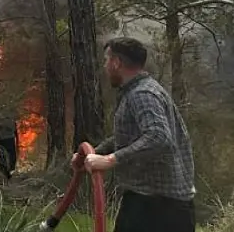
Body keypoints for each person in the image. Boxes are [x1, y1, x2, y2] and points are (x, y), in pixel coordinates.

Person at [75, 37, 196, 232]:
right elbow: (130, 138)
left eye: (107, 60)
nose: (105, 66)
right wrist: (91, 155)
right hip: (147, 202)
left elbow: (158, 138)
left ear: (117, 63)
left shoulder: (142, 94)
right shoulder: (138, 91)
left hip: (160, 210)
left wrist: (110, 160)